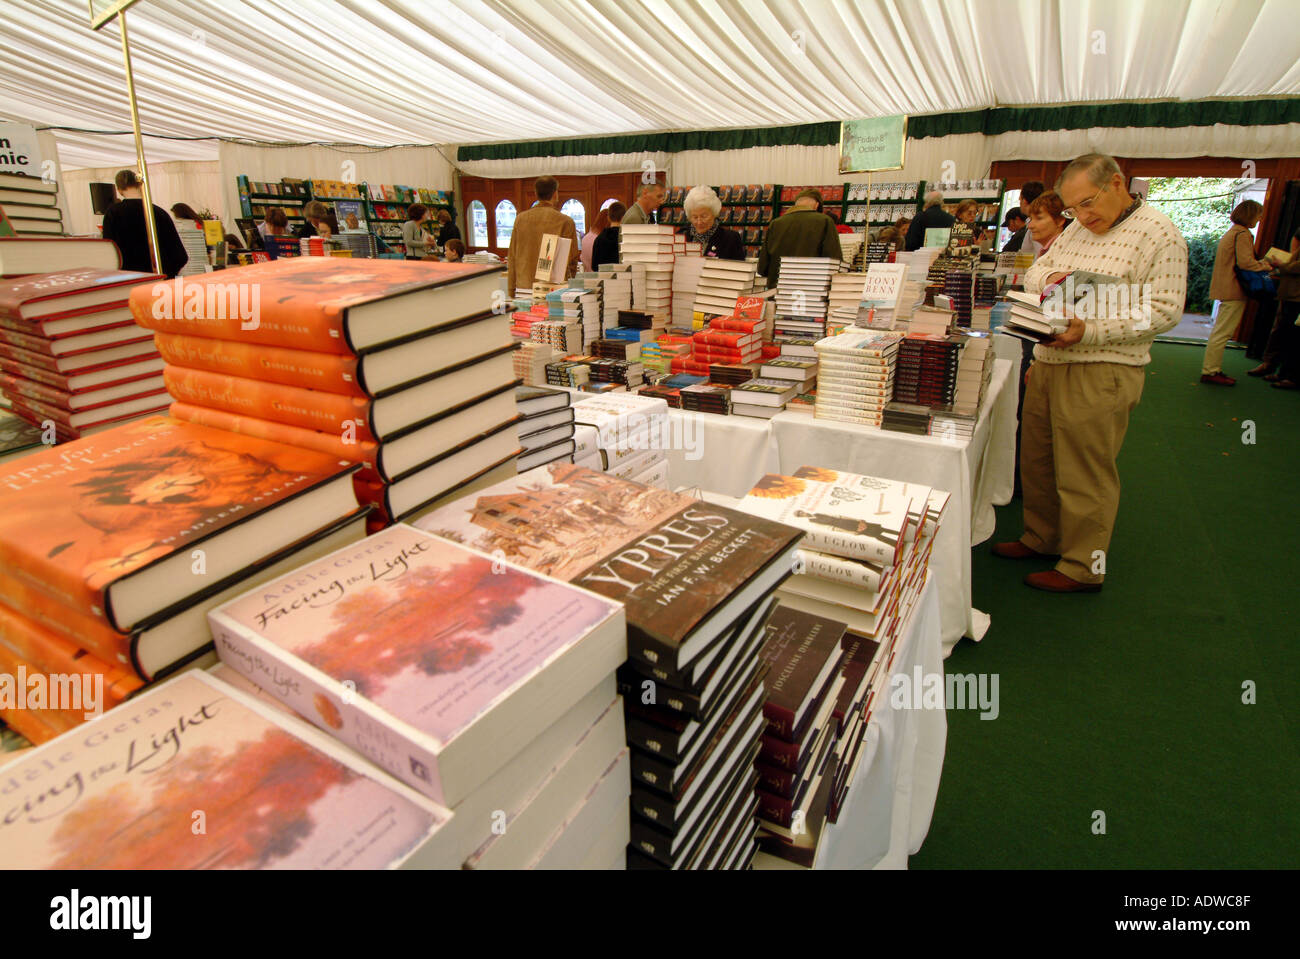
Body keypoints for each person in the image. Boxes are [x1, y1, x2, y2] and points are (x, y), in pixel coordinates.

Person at [993, 153, 1187, 594]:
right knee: (1038, 459)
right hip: (1050, 357)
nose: (1082, 215)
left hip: (1104, 367)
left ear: (1117, 183)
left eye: (1088, 203)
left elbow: (1165, 311)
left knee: (1085, 470)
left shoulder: (1159, 234)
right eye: (1073, 208)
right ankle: (1043, 537)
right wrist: (1056, 277)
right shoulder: (1079, 227)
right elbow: (1038, 271)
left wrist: (1092, 330)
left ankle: (1083, 565)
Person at [1201, 200, 1271, 386]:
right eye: (1258, 214)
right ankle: (1210, 371)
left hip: (1226, 287)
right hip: (1234, 289)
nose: (1259, 218)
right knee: (1223, 333)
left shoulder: (1233, 232)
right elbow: (1246, 263)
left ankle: (1212, 369)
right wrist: (1266, 264)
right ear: (1250, 215)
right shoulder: (1242, 234)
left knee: (1220, 331)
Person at [100, 169, 188, 277]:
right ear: (139, 185)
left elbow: (109, 254)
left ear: (119, 190)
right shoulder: (159, 213)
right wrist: (167, 275)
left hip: (127, 281)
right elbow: (180, 256)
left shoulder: (113, 214)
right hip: (159, 280)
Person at [505, 175, 579, 295]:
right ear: (555, 194)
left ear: (536, 193)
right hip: (553, 289)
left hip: (523, 287)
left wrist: (511, 289)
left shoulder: (520, 219)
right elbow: (571, 259)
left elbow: (512, 256)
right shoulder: (565, 222)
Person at [1245, 222, 1300, 379]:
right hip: (1288, 293)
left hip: (1296, 296)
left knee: (1291, 335)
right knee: (1279, 332)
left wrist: (1283, 265)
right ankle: (1270, 365)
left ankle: (1285, 373)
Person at [757, 188, 842, 288]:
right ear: (817, 205)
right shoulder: (825, 221)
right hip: (813, 291)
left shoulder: (776, 223)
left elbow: (763, 267)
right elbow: (835, 261)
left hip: (778, 290)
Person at [1263, 244, 1300, 389]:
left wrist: (1282, 264)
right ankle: (1282, 373)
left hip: (1296, 298)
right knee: (1284, 335)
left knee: (1294, 338)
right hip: (1289, 296)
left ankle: (1291, 377)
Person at [683, 185, 745, 259]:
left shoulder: (730, 239)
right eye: (695, 217)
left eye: (704, 216)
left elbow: (739, 268)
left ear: (714, 213)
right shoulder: (681, 237)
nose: (699, 222)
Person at [591, 202, 624, 270]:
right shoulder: (625, 238)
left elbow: (594, 266)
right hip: (623, 279)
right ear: (623, 217)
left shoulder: (599, 239)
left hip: (603, 279)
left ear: (608, 218)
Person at [1017, 181, 1046, 257]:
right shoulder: (1030, 221)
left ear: (1024, 201)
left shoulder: (1036, 225)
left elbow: (1040, 254)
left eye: (1020, 200)